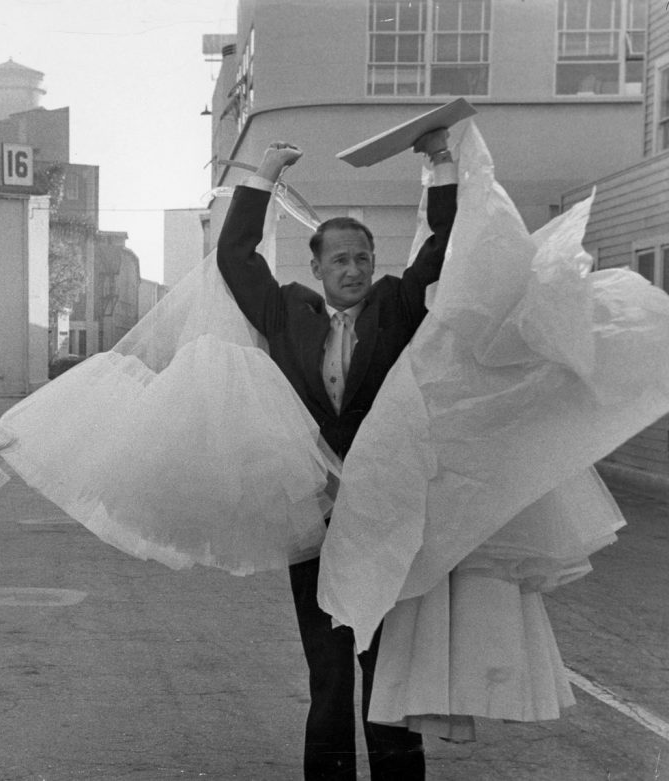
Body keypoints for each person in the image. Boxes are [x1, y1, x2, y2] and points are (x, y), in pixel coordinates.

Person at [215, 130, 456, 781]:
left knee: (386, 675)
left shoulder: (397, 307)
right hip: (313, 521)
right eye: (339, 259)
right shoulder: (287, 312)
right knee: (328, 677)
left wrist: (440, 164)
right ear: (317, 267)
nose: (352, 269)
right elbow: (235, 255)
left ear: (374, 264)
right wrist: (264, 172)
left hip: (385, 521)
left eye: (362, 258)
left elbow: (443, 252)